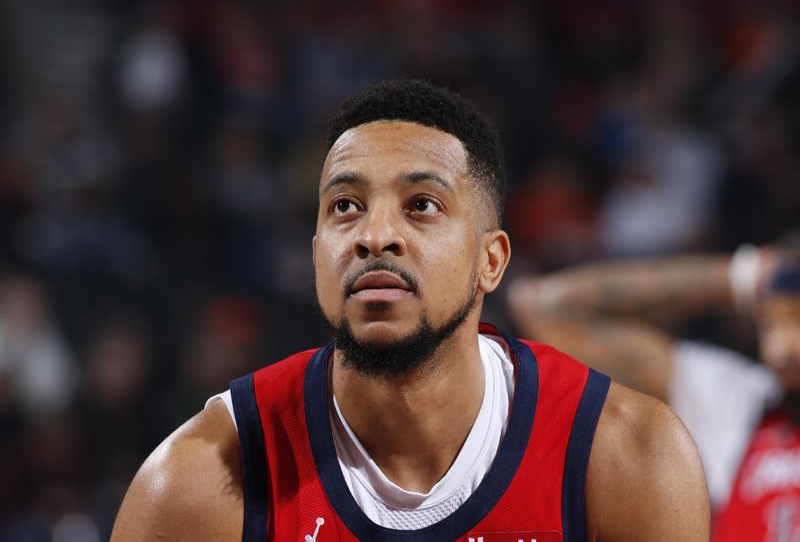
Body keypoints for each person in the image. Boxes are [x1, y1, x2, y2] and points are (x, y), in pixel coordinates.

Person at [111, 79, 708, 541]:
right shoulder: (196, 482)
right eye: (344, 206)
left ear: (491, 261)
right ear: (316, 253)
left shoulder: (628, 456)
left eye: (421, 205)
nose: (375, 236)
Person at [508, 242, 800, 541]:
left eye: (796, 321)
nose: (779, 349)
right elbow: (546, 307)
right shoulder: (742, 401)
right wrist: (746, 275)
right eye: (770, 325)